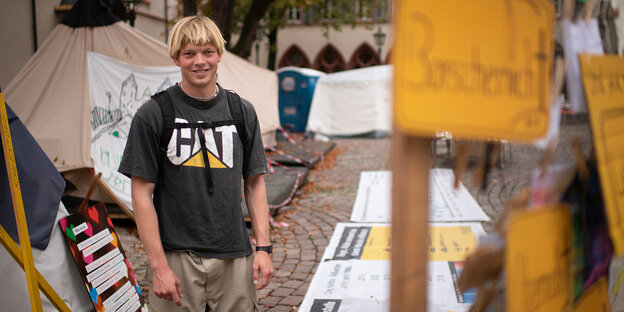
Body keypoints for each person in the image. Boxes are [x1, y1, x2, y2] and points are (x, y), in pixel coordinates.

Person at [118, 15, 273, 311]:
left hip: (235, 257)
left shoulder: (242, 111)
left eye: (207, 52)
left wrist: (263, 248)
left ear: (219, 55)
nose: (199, 61)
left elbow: (254, 182)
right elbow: (141, 194)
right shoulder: (153, 114)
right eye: (189, 53)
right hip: (177, 258)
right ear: (176, 57)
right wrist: (159, 266)